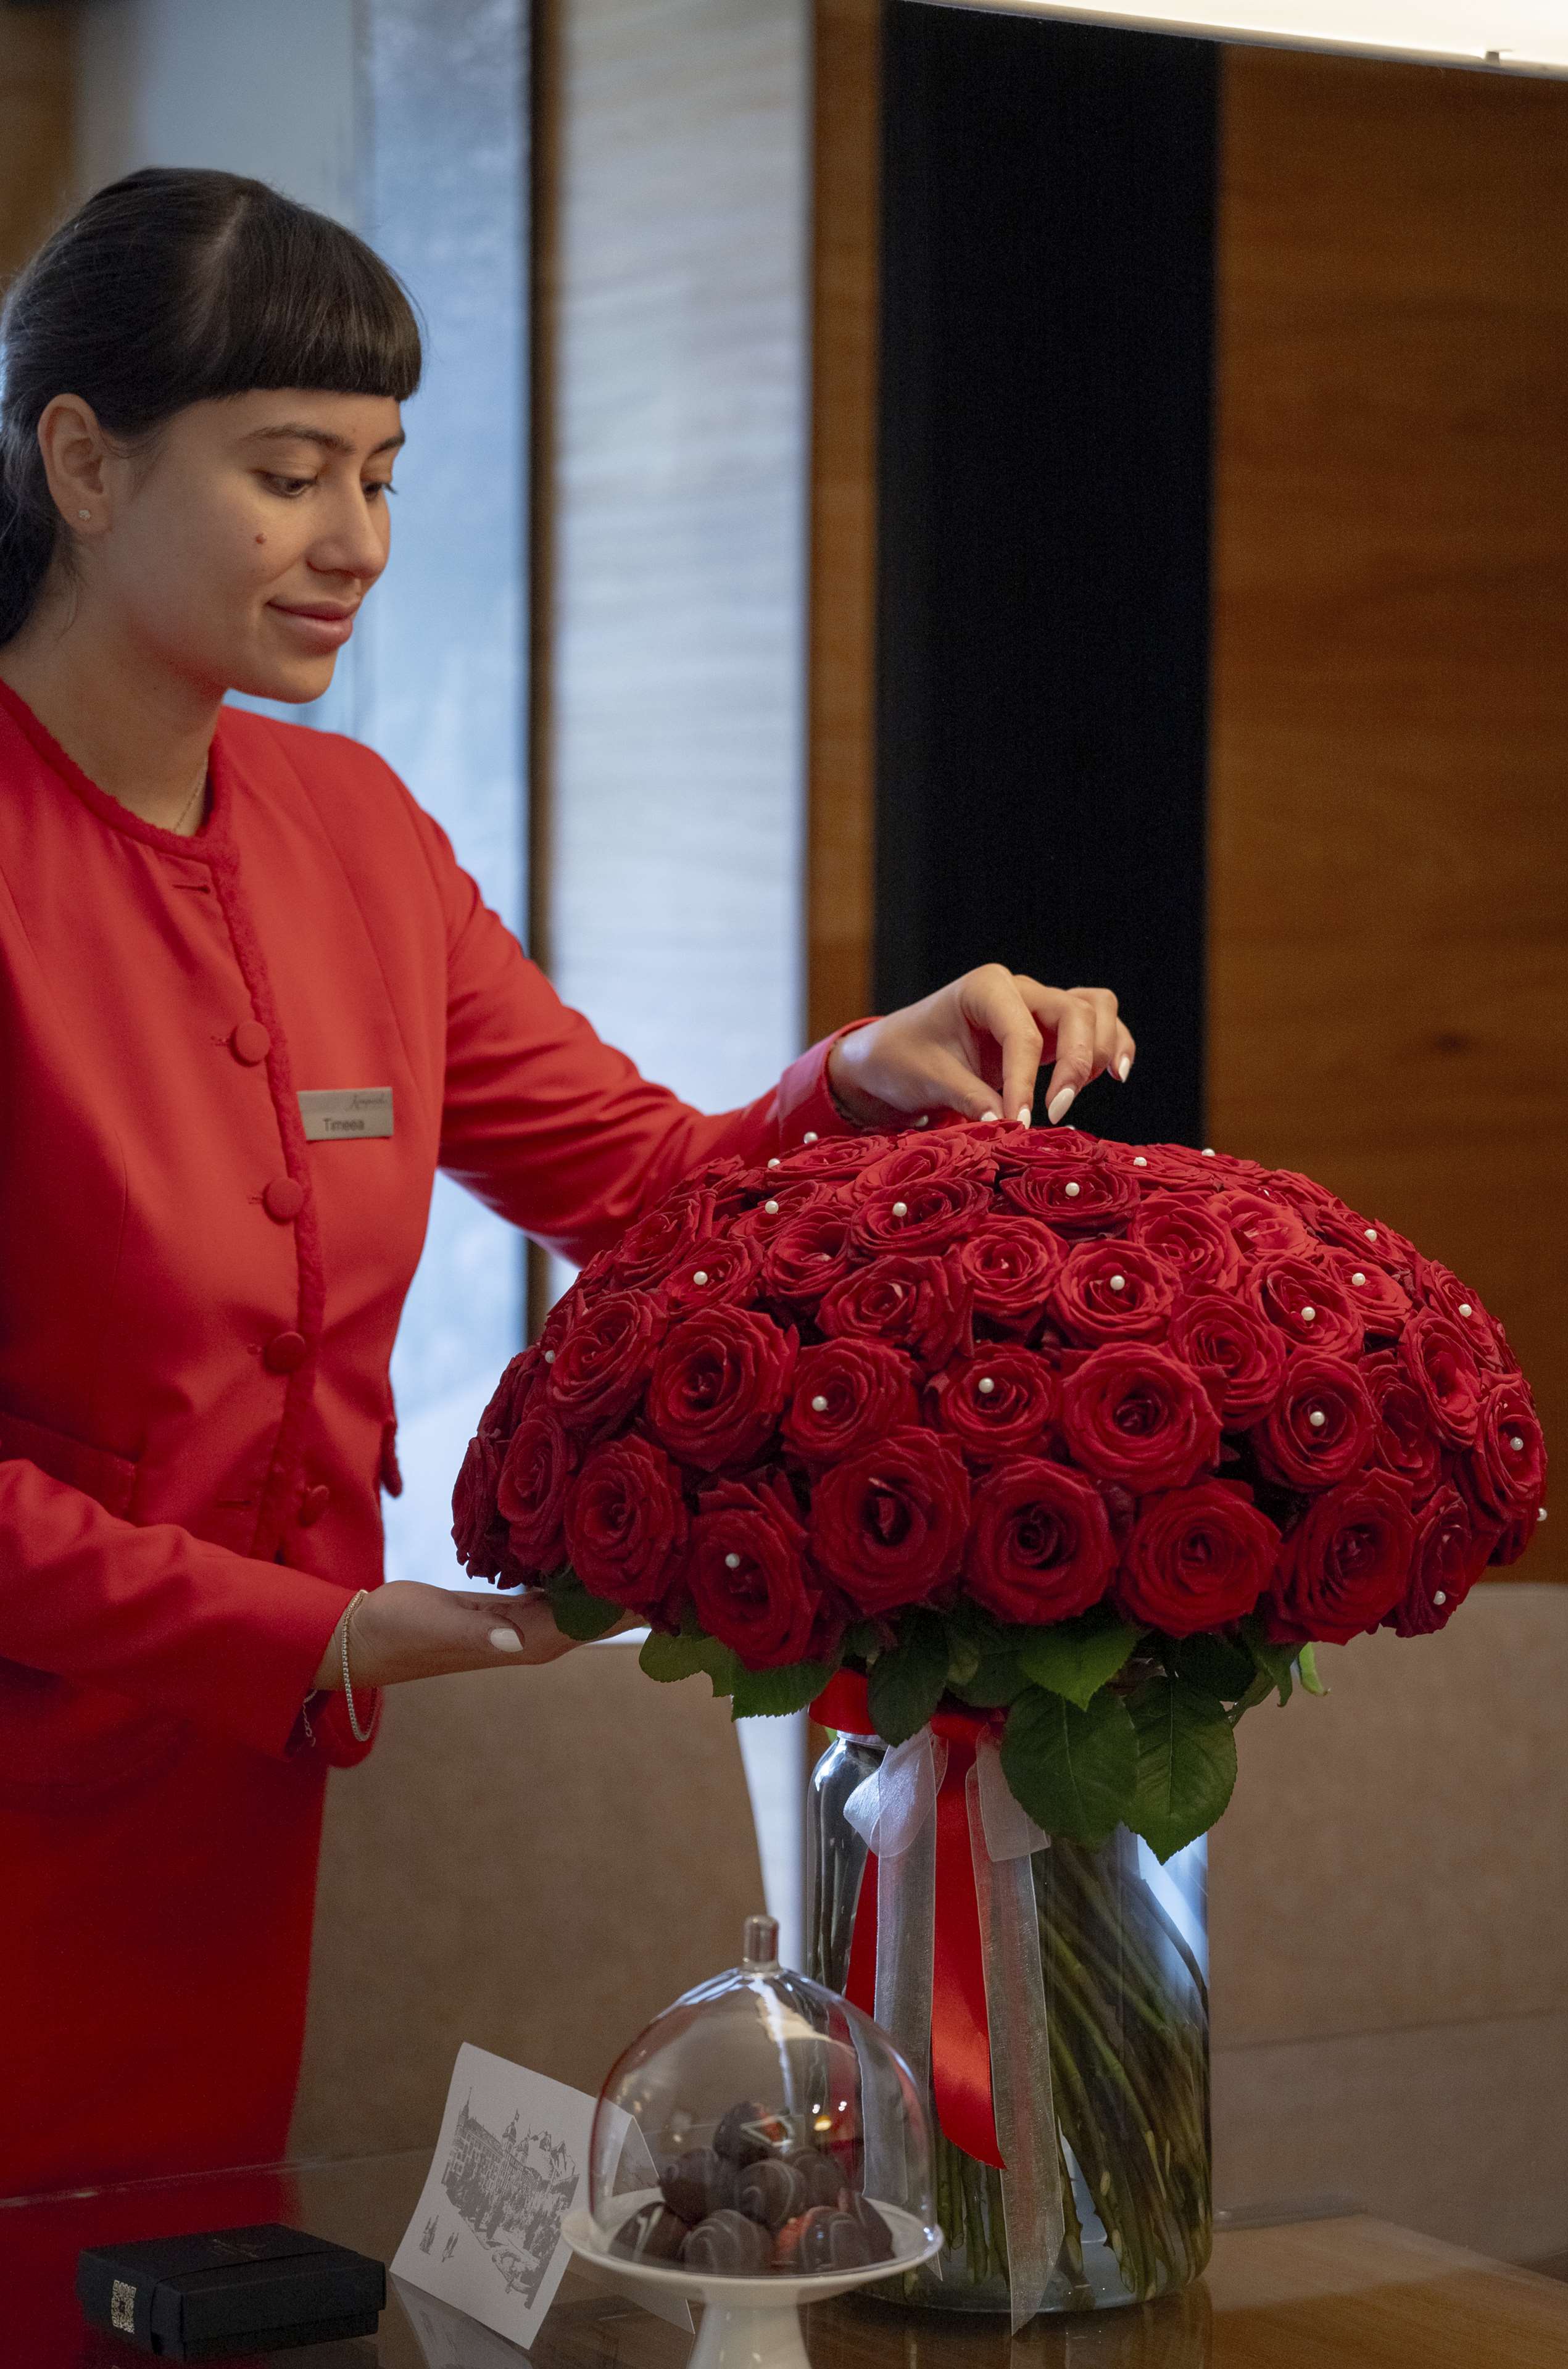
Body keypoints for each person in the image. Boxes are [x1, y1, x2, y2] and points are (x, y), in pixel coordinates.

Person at [0, 168, 1135, 2201]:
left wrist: (863, 1077)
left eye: (381, 476)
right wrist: (318, 1630)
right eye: (286, 472)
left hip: (225, 1826)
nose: (353, 543)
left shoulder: (349, 829)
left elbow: (644, 1187)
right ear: (82, 462)